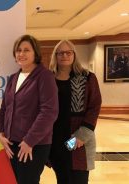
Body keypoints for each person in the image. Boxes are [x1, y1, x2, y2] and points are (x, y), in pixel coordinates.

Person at [0, 34, 59, 184]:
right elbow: (4, 108)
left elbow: (49, 112)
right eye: (18, 50)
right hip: (13, 144)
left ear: (35, 53)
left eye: (26, 50)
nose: (21, 54)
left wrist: (29, 141)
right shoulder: (13, 78)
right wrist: (0, 132)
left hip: (34, 145)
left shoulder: (44, 76)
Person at [48, 40, 102, 184]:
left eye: (68, 52)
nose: (64, 55)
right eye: (60, 53)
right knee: (62, 178)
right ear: (55, 56)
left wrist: (81, 137)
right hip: (56, 140)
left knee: (78, 179)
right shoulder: (48, 79)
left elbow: (94, 106)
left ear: (74, 55)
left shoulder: (87, 77)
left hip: (77, 139)